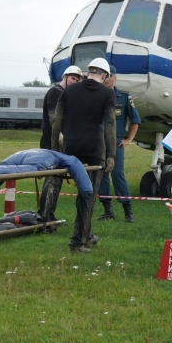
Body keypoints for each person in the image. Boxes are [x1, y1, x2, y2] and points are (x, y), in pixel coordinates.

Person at [50, 57, 116, 253]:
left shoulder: (69, 90)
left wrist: (55, 151)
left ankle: (87, 234)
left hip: (71, 148)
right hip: (95, 150)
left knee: (83, 193)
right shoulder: (107, 94)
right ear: (104, 76)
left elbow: (57, 120)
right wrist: (111, 155)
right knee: (88, 195)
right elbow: (110, 125)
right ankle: (77, 241)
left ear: (88, 72)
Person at [37, 65, 83, 227]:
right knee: (52, 180)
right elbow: (53, 118)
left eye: (77, 80)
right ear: (64, 77)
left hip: (61, 144)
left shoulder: (66, 94)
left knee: (57, 180)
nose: (75, 82)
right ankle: (44, 216)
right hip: (52, 143)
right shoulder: (55, 93)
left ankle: (49, 213)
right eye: (73, 78)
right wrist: (62, 139)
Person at [97, 65, 141, 223]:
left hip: (116, 141)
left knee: (117, 175)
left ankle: (128, 211)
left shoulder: (123, 96)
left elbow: (136, 120)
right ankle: (107, 210)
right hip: (99, 141)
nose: (107, 79)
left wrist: (129, 139)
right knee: (101, 174)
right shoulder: (96, 95)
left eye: (110, 76)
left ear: (115, 77)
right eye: (104, 75)